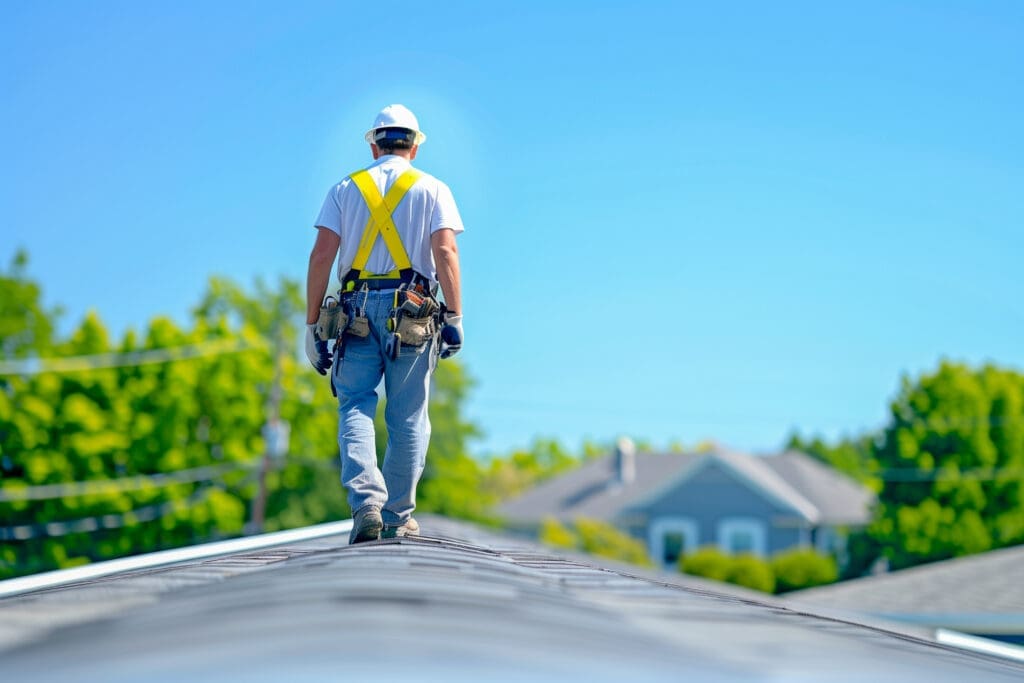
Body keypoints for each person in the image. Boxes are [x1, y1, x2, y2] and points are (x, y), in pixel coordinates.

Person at [304, 104, 464, 544]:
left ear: (374, 144)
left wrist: (312, 323)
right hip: (411, 313)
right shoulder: (433, 189)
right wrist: (454, 315)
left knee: (355, 403)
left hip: (353, 314)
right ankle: (396, 516)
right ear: (414, 147)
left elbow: (322, 255)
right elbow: (446, 253)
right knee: (408, 416)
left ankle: (366, 505)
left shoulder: (344, 189)